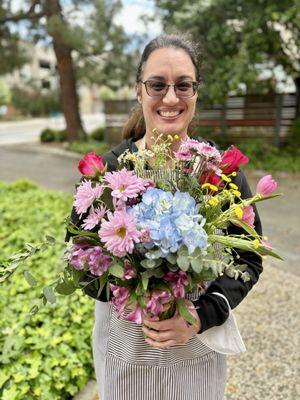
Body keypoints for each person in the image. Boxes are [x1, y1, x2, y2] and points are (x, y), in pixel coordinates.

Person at [67, 34, 263, 400]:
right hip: (126, 353)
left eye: (183, 85)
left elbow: (248, 258)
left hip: (197, 351)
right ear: (139, 91)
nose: (170, 98)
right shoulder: (108, 173)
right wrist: (136, 293)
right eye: (157, 85)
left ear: (196, 92)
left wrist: (200, 315)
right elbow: (79, 259)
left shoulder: (219, 173)